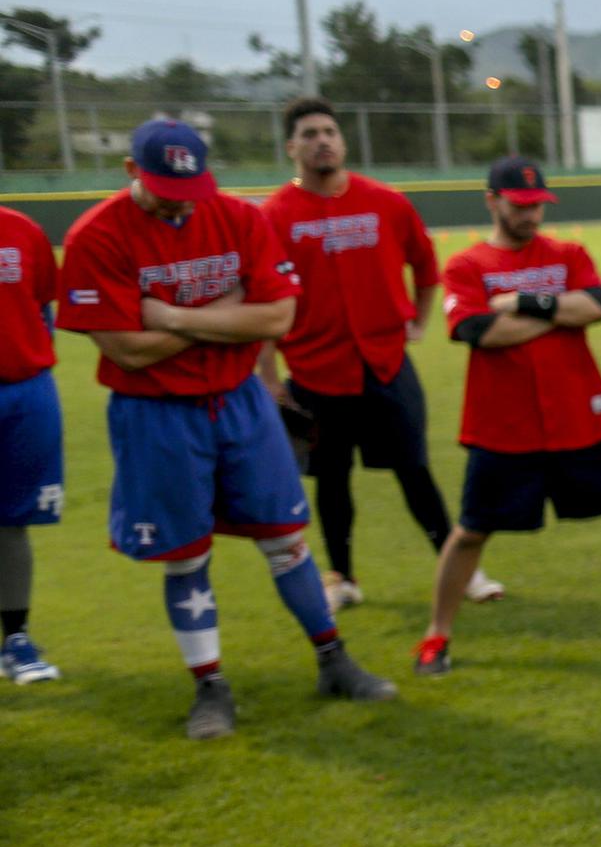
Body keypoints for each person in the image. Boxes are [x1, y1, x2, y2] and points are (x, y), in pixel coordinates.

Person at [56, 120, 397, 737]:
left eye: (191, 187)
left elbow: (276, 315)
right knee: (186, 553)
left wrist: (170, 313)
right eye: (164, 187)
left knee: (286, 536)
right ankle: (210, 687)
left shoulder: (238, 217)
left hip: (239, 400)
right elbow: (127, 349)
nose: (181, 200)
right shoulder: (96, 235)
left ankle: (333, 658)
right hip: (155, 412)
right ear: (132, 172)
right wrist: (225, 312)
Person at [412, 157, 601, 674]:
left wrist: (521, 303)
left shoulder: (569, 252)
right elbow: (482, 334)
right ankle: (438, 635)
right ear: (492, 201)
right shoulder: (467, 266)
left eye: (537, 206)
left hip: (579, 415)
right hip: (503, 426)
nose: (531, 216)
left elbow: (596, 307)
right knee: (471, 533)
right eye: (520, 205)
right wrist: (555, 314)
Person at [259, 94, 500, 612]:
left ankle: (460, 569)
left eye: (329, 131)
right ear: (291, 148)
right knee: (331, 479)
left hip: (385, 365)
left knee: (414, 469)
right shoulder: (275, 215)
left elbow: (426, 267)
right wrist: (270, 377)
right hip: (315, 372)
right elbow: (263, 300)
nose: (322, 141)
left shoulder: (385, 201)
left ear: (342, 141)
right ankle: (341, 576)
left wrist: (417, 322)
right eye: (309, 134)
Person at [0, 202, 65, 683]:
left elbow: (43, 303)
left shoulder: (23, 231)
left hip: (25, 391)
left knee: (12, 521)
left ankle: (16, 640)